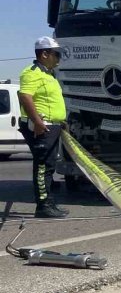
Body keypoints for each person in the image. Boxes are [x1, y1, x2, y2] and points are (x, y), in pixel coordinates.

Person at [18, 37, 69, 218]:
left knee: (48, 166)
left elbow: (49, 102)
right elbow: (24, 96)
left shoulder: (49, 74)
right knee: (42, 166)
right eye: (56, 54)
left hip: (52, 125)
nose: (59, 58)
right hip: (42, 127)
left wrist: (60, 120)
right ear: (44, 54)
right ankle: (43, 206)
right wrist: (37, 122)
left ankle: (49, 202)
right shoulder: (32, 73)